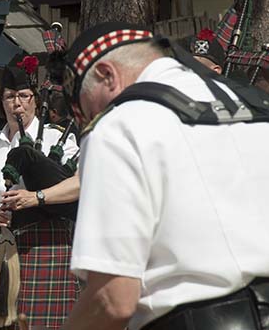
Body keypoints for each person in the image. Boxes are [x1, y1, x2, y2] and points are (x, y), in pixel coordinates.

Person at [62, 22, 269, 330]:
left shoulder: (118, 127)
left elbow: (112, 299)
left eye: (88, 108)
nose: (93, 118)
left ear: (107, 75)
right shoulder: (252, 107)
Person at [0, 65, 81, 329]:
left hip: (44, 243)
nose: (17, 104)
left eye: (24, 96)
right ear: (1, 102)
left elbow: (81, 184)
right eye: (10, 96)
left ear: (35, 99)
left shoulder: (57, 138)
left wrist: (37, 197)